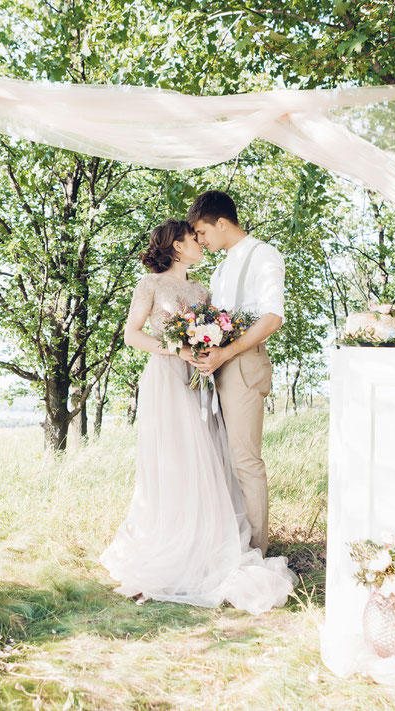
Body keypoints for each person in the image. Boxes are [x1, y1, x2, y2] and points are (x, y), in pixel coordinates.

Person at [100, 218, 295, 614]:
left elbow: (212, 329)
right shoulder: (150, 285)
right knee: (173, 458)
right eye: (193, 238)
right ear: (176, 246)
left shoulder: (202, 290)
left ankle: (205, 541)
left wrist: (206, 348)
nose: (200, 242)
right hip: (167, 377)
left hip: (200, 376)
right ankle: (168, 540)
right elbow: (131, 334)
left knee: (205, 455)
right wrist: (176, 349)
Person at [187, 190, 286, 556]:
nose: (200, 240)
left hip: (243, 365)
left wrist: (226, 351)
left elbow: (272, 317)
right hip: (220, 366)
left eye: (201, 232)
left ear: (222, 223)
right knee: (223, 458)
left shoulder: (263, 255)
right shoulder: (222, 264)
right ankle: (233, 539)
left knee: (245, 458)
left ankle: (257, 551)